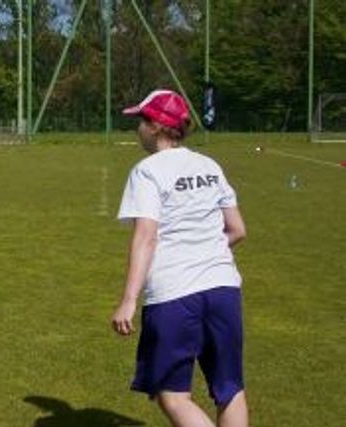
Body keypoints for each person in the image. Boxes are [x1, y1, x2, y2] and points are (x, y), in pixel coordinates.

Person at [111, 89, 248, 427]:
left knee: (172, 394)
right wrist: (205, 251)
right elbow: (237, 229)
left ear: (156, 126)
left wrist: (128, 300)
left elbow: (146, 236)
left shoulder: (147, 171)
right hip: (224, 289)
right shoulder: (210, 165)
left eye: (141, 121)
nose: (137, 129)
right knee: (230, 388)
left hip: (174, 294)